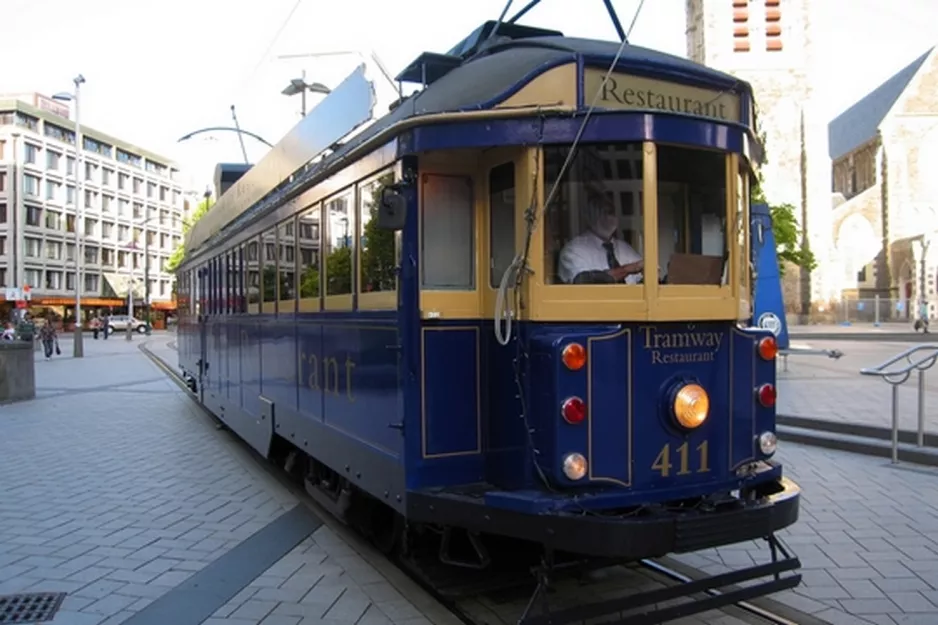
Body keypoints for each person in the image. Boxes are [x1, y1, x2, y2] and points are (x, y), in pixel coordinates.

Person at [557, 198, 644, 284]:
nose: (605, 218)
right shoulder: (573, 250)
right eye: (598, 213)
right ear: (588, 218)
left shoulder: (625, 249)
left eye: (610, 213)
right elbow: (582, 281)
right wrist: (626, 269)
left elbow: (647, 279)